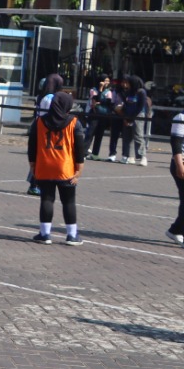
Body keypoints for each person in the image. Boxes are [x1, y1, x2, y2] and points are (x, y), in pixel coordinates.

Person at [28, 89, 87, 245]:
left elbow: (32, 146)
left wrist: (33, 165)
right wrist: (78, 170)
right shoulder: (74, 122)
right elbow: (80, 149)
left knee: (46, 199)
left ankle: (45, 234)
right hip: (65, 167)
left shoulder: (39, 121)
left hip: (45, 165)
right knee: (68, 201)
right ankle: (72, 235)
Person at [86, 74, 119, 161]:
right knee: (90, 133)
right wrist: (100, 90)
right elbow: (96, 99)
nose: (106, 82)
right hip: (94, 114)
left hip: (104, 115)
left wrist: (99, 101)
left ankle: (95, 154)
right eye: (105, 80)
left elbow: (106, 102)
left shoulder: (109, 92)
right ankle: (84, 152)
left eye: (108, 81)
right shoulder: (93, 90)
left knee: (99, 135)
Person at [121, 76, 150, 166]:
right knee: (126, 136)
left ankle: (142, 156)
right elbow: (125, 105)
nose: (127, 85)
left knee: (138, 136)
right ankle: (127, 156)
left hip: (138, 115)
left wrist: (133, 117)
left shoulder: (141, 92)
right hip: (128, 115)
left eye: (129, 83)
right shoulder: (128, 92)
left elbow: (141, 106)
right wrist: (126, 117)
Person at [166, 105, 183, 247]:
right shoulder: (180, 117)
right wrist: (180, 165)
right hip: (181, 163)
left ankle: (176, 229)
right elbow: (176, 143)